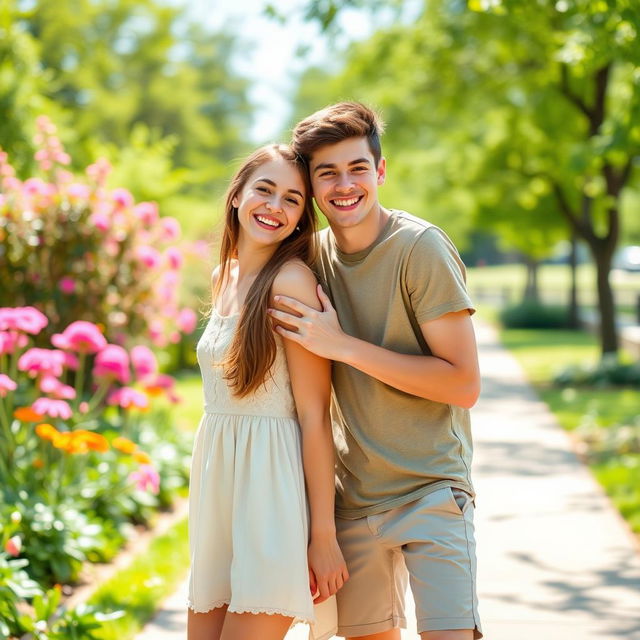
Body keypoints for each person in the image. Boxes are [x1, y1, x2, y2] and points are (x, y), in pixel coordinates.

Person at [268, 103, 483, 639]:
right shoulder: (309, 261)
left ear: (380, 171)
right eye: (327, 173)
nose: (345, 185)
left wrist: (343, 346)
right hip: (353, 502)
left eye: (357, 168)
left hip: (431, 489)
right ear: (312, 188)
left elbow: (464, 383)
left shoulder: (420, 249)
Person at [187, 143, 348, 640]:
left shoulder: (292, 281)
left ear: (302, 218)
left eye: (292, 199)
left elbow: (315, 416)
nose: (275, 207)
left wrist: (322, 535)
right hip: (219, 493)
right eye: (265, 189)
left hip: (270, 496)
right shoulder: (224, 277)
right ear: (237, 195)